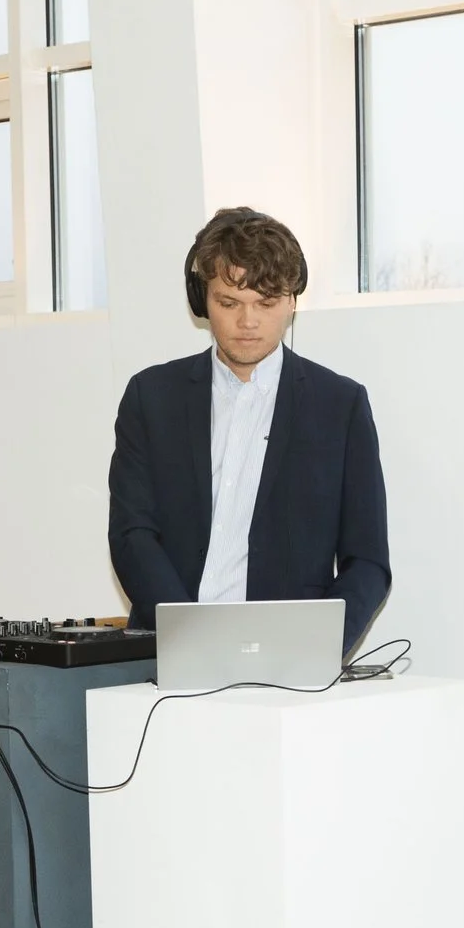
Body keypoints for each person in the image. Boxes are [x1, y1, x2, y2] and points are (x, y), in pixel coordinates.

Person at [107, 208, 390, 652]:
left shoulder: (341, 406)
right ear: (202, 301)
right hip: (165, 658)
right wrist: (189, 639)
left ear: (292, 301)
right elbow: (131, 534)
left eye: (266, 303)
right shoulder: (151, 397)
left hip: (288, 666)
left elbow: (368, 561)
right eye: (229, 303)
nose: (248, 322)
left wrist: (315, 650)